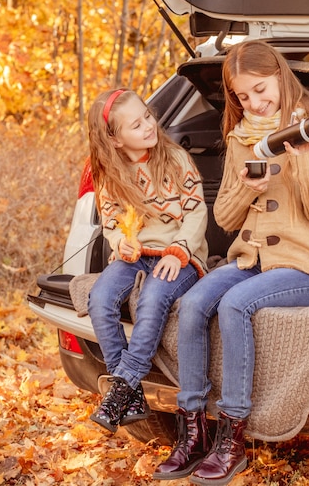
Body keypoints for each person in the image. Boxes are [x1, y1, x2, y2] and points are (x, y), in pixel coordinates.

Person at [154, 41, 309, 484]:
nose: (254, 102)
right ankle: (192, 429)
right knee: (195, 299)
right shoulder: (241, 137)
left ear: (281, 76)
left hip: (304, 268)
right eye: (243, 97)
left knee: (234, 305)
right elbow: (223, 218)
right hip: (251, 259)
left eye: (261, 91)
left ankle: (232, 436)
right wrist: (247, 187)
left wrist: (300, 165)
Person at [86, 88, 209, 435]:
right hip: (138, 253)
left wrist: (181, 250)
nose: (148, 126)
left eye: (148, 117)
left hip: (179, 253)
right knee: (100, 298)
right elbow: (111, 222)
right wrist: (120, 242)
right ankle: (133, 396)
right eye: (136, 125)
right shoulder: (110, 174)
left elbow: (196, 212)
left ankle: (121, 385)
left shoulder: (175, 159)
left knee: (154, 297)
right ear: (115, 139)